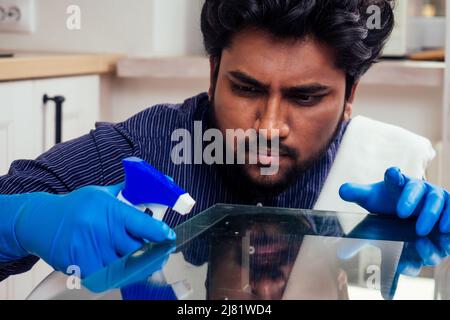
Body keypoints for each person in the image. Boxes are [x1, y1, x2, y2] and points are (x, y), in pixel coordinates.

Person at [1, 0, 449, 282]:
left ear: (349, 95)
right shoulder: (150, 147)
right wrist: (22, 220)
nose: (269, 126)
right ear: (213, 73)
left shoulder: (381, 167)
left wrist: (428, 245)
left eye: (305, 97)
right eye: (247, 89)